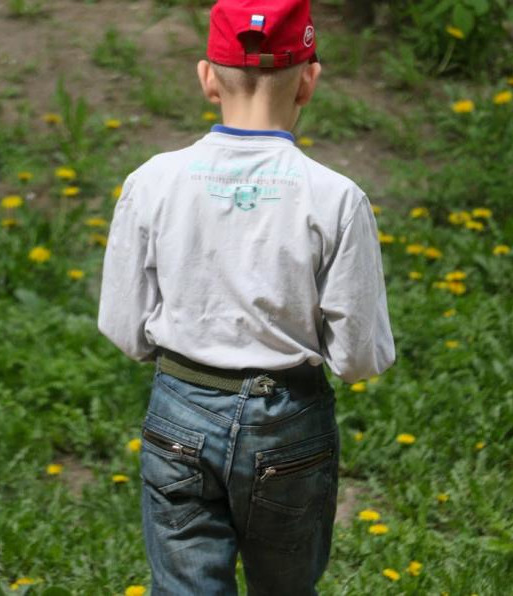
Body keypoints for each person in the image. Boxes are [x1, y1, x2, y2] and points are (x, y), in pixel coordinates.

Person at [98, 0, 396, 593]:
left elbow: (123, 326)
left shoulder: (151, 182)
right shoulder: (336, 198)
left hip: (180, 412)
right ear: (309, 80)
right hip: (289, 422)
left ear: (207, 76)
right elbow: (359, 359)